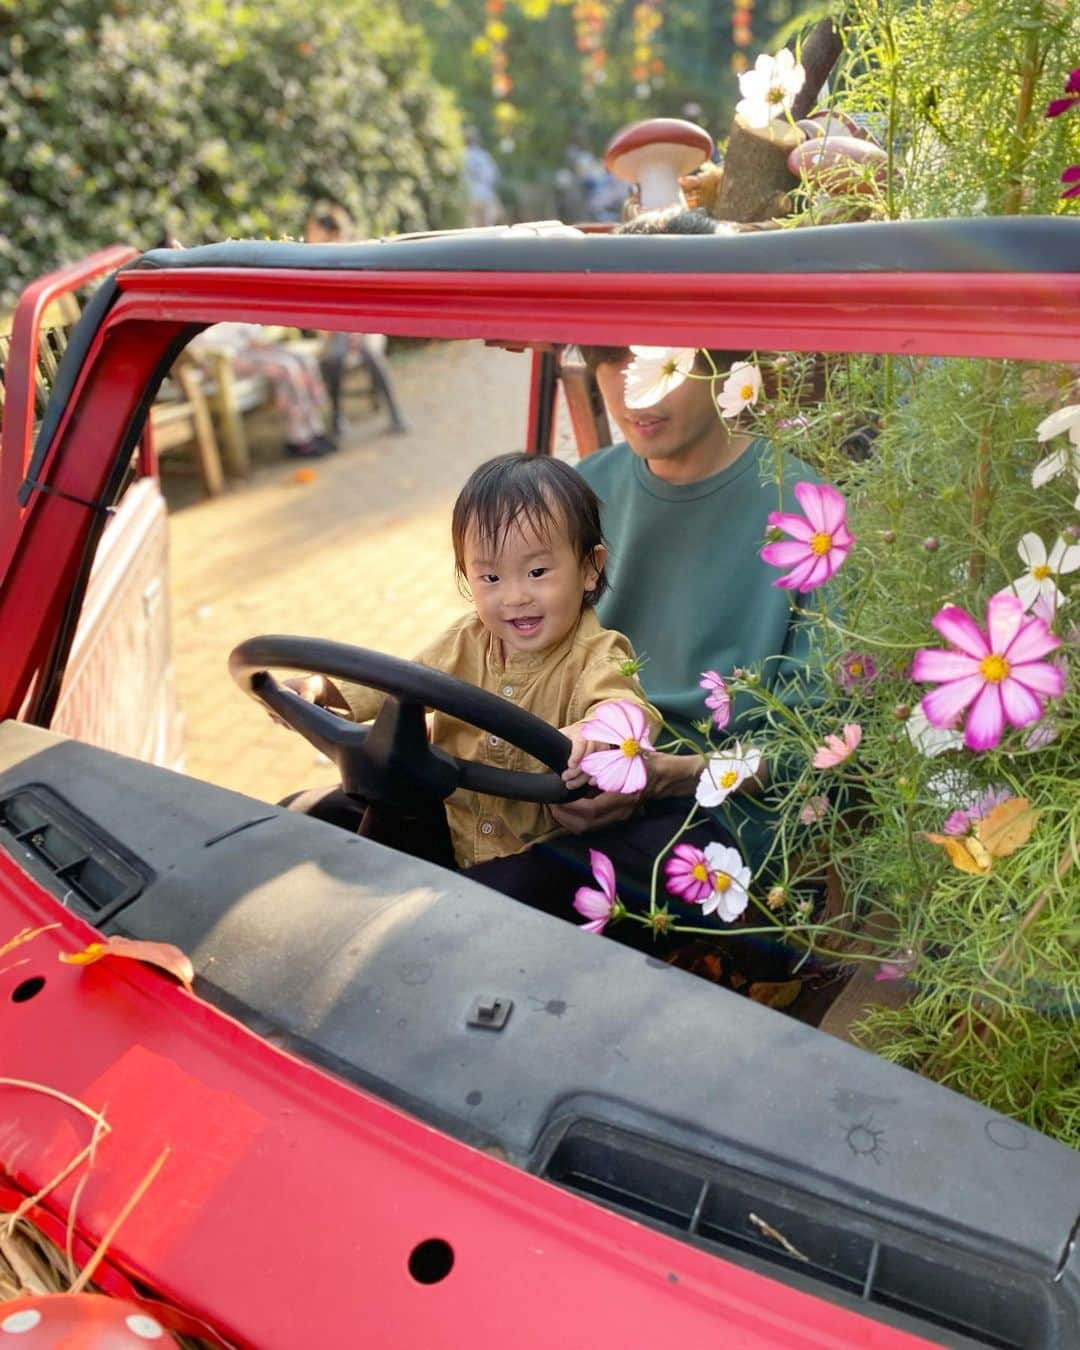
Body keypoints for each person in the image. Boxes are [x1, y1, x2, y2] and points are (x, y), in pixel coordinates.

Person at [462, 210, 828, 943]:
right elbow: (484, 644)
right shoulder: (570, 495)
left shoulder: (812, 514)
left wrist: (663, 772)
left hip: (712, 825)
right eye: (609, 356)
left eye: (656, 355)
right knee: (348, 821)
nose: (630, 389)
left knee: (493, 899)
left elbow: (817, 751)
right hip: (555, 776)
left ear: (723, 346)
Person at [282, 453, 657, 870]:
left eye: (536, 572)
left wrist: (596, 728)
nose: (514, 597)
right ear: (467, 576)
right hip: (451, 822)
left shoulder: (598, 654)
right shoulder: (465, 640)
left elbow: (628, 710)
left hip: (542, 849)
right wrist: (324, 689)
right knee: (304, 817)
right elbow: (404, 683)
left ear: (590, 568)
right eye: (491, 578)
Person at [302, 203, 409, 437]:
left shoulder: (357, 256)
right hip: (336, 328)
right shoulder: (314, 264)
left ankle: (394, 412)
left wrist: (358, 331)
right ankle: (337, 415)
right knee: (334, 357)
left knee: (370, 353)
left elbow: (371, 299)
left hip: (367, 324)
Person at [189, 322, 335, 460]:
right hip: (221, 359)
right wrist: (244, 345)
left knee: (305, 360)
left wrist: (258, 342)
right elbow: (203, 344)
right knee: (287, 368)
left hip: (248, 348)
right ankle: (298, 439)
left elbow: (248, 330)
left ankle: (314, 429)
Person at [464, 128, 502, 228]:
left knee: (472, 227)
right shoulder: (483, 155)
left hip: (469, 195)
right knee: (487, 226)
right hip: (485, 194)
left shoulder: (461, 155)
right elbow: (493, 175)